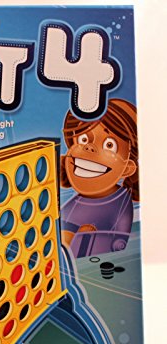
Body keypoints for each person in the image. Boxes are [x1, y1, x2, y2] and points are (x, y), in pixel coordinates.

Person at [60, 99, 139, 258]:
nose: (89, 147)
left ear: (128, 167)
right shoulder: (75, 203)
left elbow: (120, 241)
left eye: (109, 145)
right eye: (83, 139)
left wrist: (87, 238)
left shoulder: (121, 201)